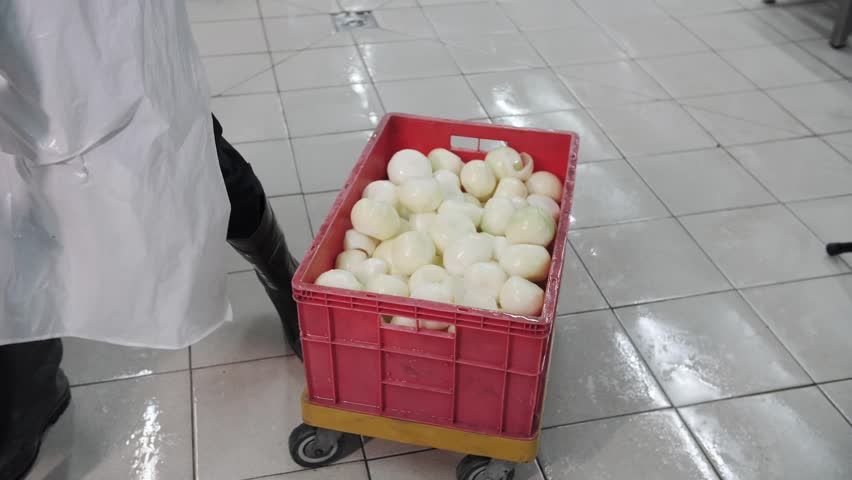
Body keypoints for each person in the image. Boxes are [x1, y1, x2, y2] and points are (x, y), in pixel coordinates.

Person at [0, 3, 301, 479]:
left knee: (176, 153)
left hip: (80, 27)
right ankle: (29, 398)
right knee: (12, 223)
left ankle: (286, 280)